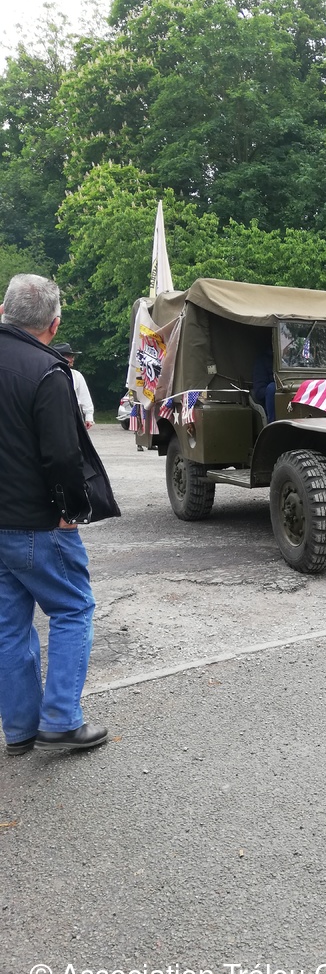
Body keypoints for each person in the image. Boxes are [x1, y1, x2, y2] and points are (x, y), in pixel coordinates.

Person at [0, 274, 118, 755]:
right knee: (73, 609)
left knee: (8, 626)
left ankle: (20, 730)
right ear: (54, 325)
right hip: (36, 522)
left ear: (3, 311)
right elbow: (63, 455)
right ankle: (61, 720)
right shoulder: (48, 371)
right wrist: (71, 509)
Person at [56, 342, 95, 429]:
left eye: (72, 356)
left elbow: (84, 396)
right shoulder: (49, 374)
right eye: (69, 356)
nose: (72, 359)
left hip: (73, 416)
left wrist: (89, 417)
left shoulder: (76, 375)